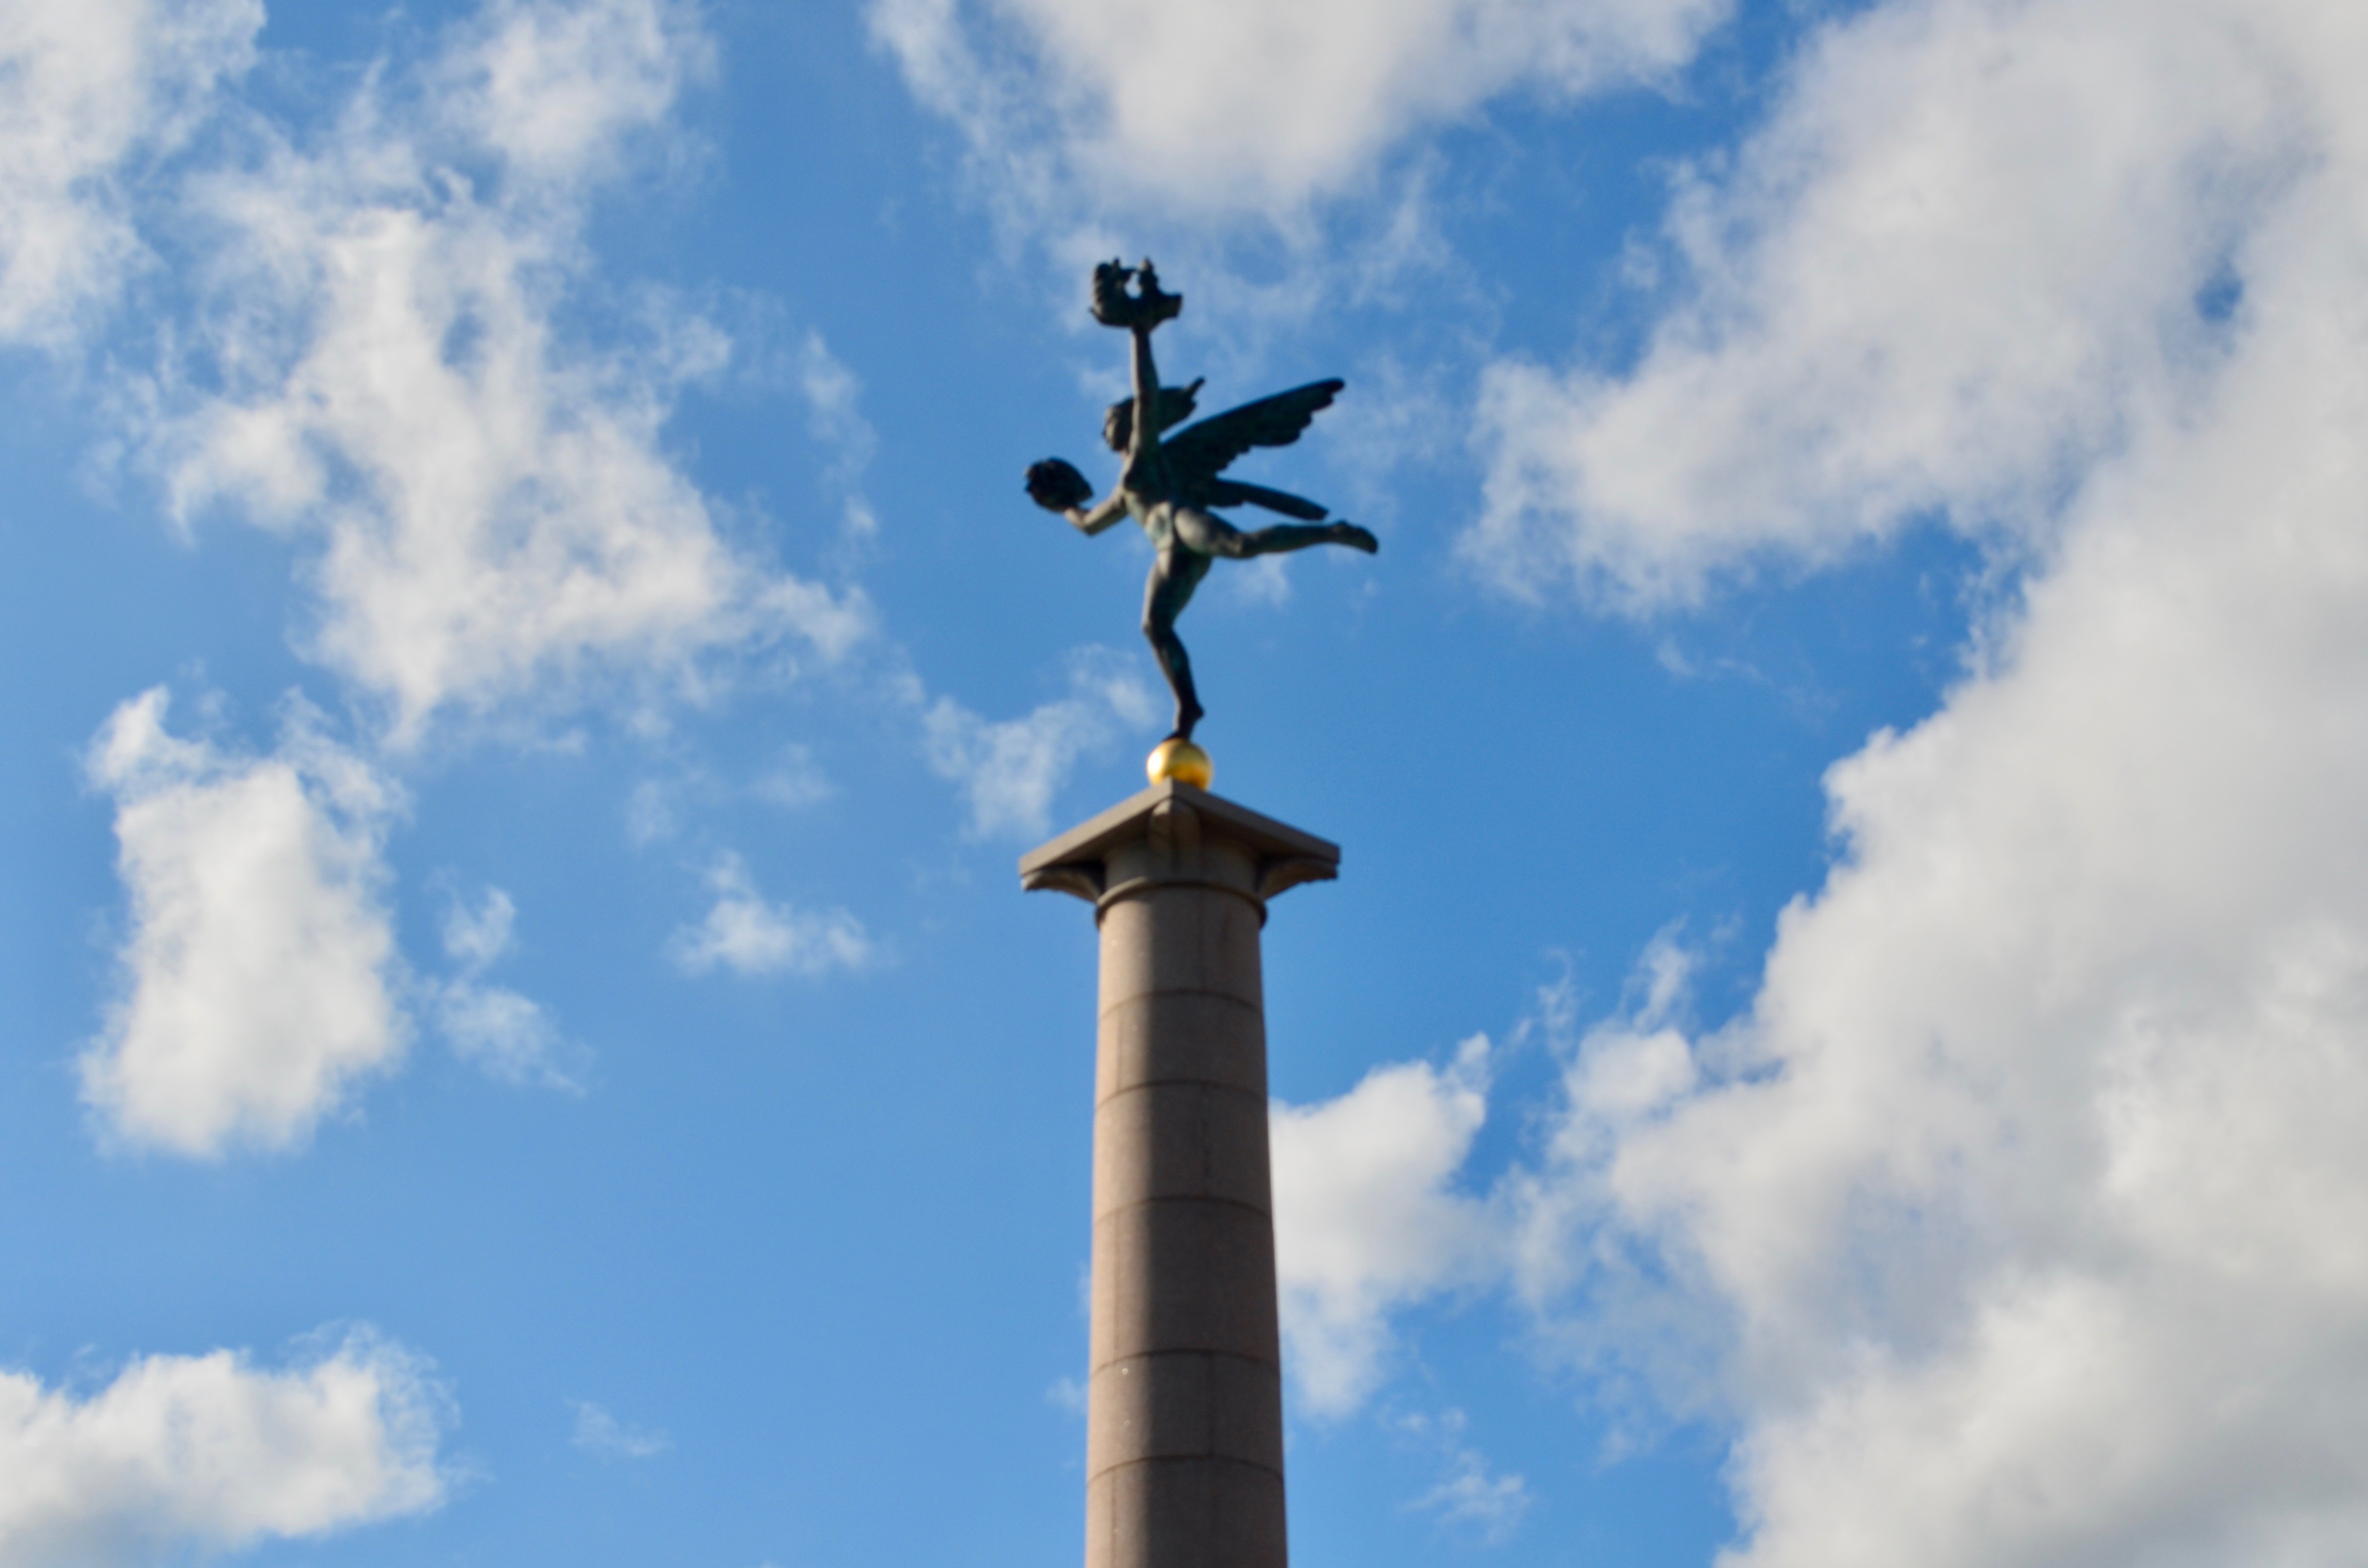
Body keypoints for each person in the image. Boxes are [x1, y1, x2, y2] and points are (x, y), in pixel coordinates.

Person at [1026, 260, 1377, 744]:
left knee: (1239, 545)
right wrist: (1061, 506)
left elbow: (1146, 396)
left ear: (1126, 424)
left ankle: (1333, 533)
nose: (1105, 428)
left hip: (1179, 520)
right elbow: (1088, 524)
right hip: (1167, 551)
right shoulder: (1121, 491)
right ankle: (1188, 708)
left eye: (1110, 420)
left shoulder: (1145, 452)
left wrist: (1139, 334)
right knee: (1153, 626)